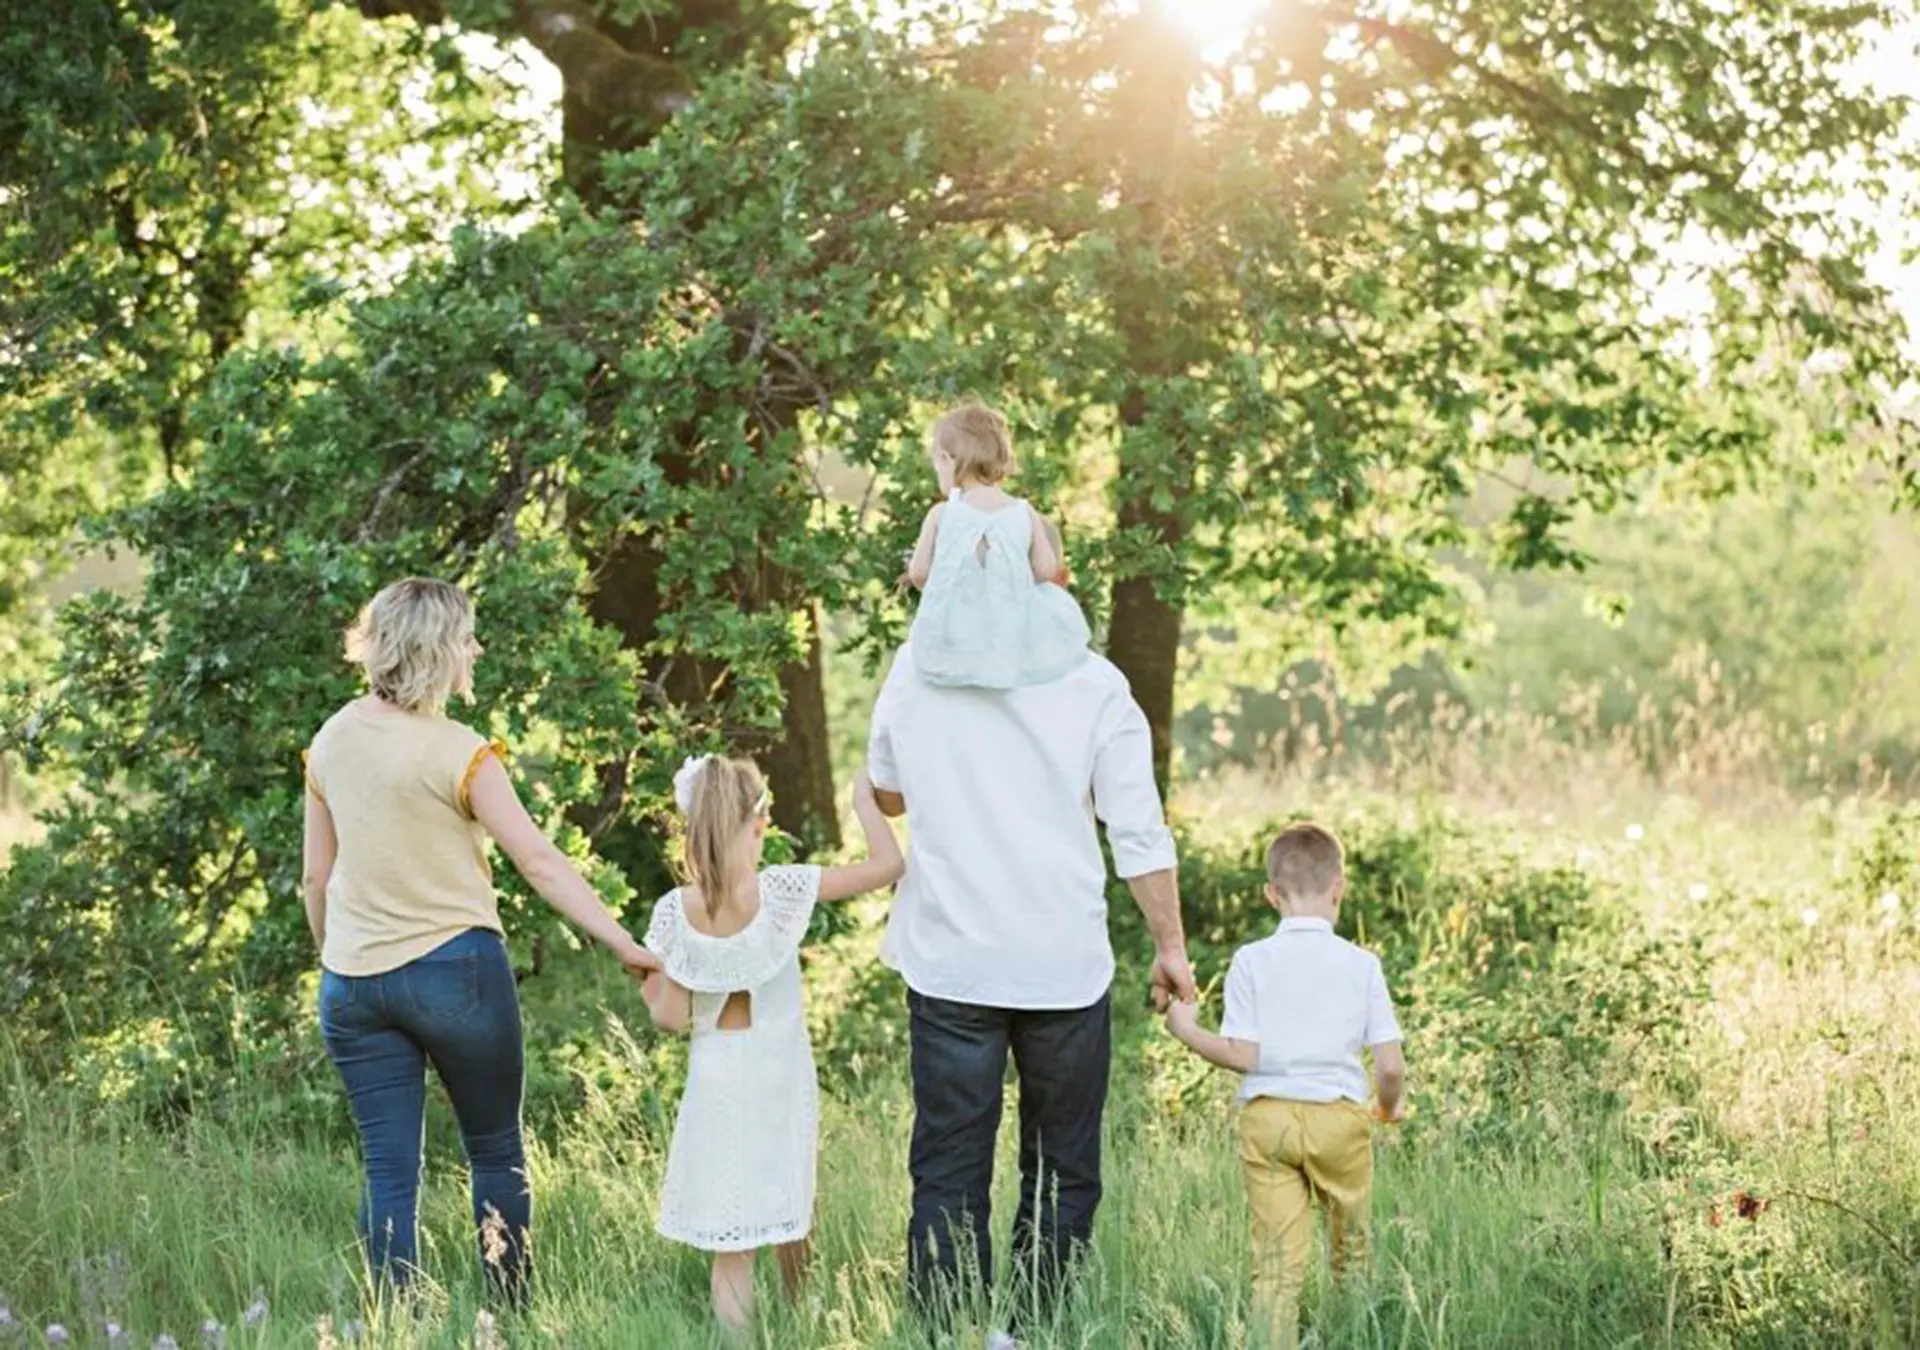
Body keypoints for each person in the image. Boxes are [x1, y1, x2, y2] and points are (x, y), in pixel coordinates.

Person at [868, 516, 1194, 1326]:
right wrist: (1170, 948)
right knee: (1062, 1165)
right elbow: (1139, 832)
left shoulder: (917, 670)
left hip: (952, 959)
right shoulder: (1094, 684)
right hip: (1061, 961)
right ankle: (1035, 1328)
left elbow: (889, 791)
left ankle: (948, 1332)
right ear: (1047, 574)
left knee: (948, 1164)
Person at [302, 577, 658, 1305]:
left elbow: (316, 877)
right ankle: (511, 1311)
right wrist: (622, 942)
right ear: (436, 651)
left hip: (353, 983)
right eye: (467, 638)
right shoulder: (461, 752)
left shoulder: (331, 739)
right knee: (495, 1149)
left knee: (387, 1169)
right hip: (454, 973)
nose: (477, 650)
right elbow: (540, 862)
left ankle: (397, 1320)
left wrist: (335, 960)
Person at [639, 755, 905, 1331]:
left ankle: (739, 1340)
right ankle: (801, 1320)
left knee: (732, 1240)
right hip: (779, 1072)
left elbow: (670, 1017)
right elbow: (887, 867)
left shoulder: (675, 913)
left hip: (716, 1079)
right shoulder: (782, 891)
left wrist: (645, 976)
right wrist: (863, 804)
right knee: (792, 1201)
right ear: (758, 823)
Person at [1164, 823, 1407, 1350]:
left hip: (1268, 1119)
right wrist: (1387, 1109)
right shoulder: (1363, 966)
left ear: (1271, 894)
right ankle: (1354, 1336)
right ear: (1339, 886)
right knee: (1353, 1249)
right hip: (1339, 1120)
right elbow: (1389, 1068)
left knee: (1275, 1266)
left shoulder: (1251, 961)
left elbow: (1241, 1055)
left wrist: (1186, 1030)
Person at [903, 399, 1091, 689]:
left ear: (945, 459)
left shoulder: (941, 514)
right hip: (1008, 633)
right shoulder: (1024, 511)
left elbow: (918, 574)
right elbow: (1045, 569)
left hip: (957, 631)